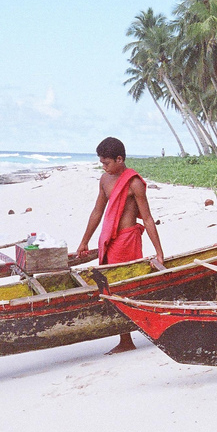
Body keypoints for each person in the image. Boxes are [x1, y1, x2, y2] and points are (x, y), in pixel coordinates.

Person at [75, 137, 165, 354]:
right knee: (110, 288)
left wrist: (159, 252)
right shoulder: (104, 180)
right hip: (110, 241)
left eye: (107, 163)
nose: (104, 167)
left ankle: (129, 337)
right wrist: (84, 240)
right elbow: (97, 211)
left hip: (127, 240)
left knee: (122, 288)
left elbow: (148, 218)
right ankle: (125, 338)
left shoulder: (133, 183)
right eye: (102, 163)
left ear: (120, 159)